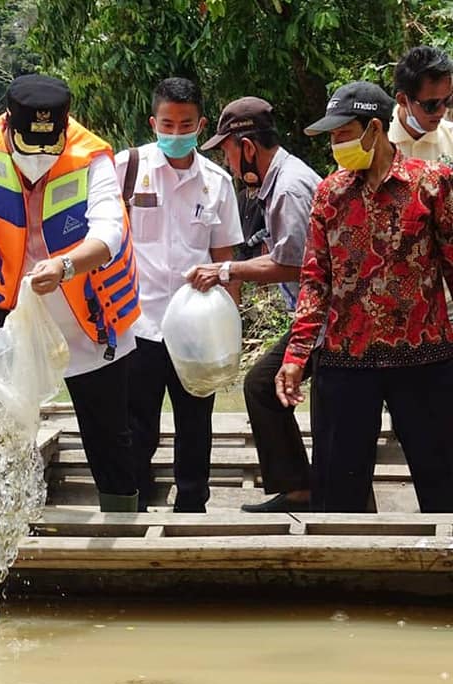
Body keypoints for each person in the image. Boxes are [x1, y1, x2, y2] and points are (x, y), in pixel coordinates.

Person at [0, 73, 141, 511]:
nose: (40, 158)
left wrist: (67, 265)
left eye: (50, 147)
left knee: (107, 429)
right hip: (14, 306)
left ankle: (122, 510)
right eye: (31, 146)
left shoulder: (92, 156)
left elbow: (110, 230)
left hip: (85, 307)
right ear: (9, 125)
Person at [276, 81, 453, 513]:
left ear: (374, 129)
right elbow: (315, 281)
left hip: (424, 358)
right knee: (338, 488)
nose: (337, 145)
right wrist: (297, 355)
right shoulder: (330, 195)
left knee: (443, 481)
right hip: (346, 360)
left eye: (342, 134)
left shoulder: (431, 185)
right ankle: (345, 576)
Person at [116, 77, 243, 512]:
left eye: (184, 124)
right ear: (153, 122)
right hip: (138, 323)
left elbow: (224, 257)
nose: (174, 133)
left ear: (201, 124)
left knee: (195, 421)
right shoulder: (126, 168)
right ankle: (132, 501)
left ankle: (192, 504)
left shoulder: (217, 182)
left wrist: (228, 328)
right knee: (137, 424)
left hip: (195, 327)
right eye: (166, 124)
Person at [190, 97, 322, 513]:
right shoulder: (277, 183)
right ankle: (303, 486)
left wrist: (226, 270)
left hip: (327, 321)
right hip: (316, 319)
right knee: (271, 388)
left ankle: (303, 488)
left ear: (246, 147)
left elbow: (295, 263)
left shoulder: (287, 187)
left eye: (227, 151)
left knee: (262, 385)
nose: (228, 163)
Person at [390, 46, 453, 165]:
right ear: (403, 100)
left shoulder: (450, 138)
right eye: (431, 105)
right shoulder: (376, 143)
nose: (441, 111)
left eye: (448, 101)